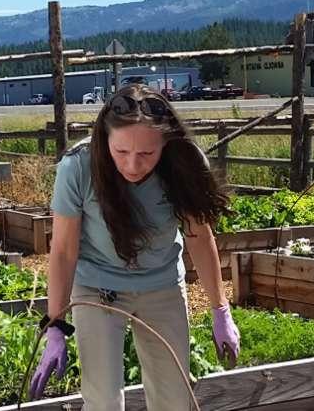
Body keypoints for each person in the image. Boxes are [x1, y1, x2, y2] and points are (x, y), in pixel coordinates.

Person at [29, 85, 240, 410]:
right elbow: (63, 251)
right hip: (98, 289)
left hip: (162, 285)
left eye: (146, 154)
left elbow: (199, 236)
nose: (132, 164)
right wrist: (54, 325)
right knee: (103, 401)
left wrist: (220, 310)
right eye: (121, 152)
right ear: (105, 139)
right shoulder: (78, 167)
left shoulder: (183, 163)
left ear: (166, 145)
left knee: (174, 398)